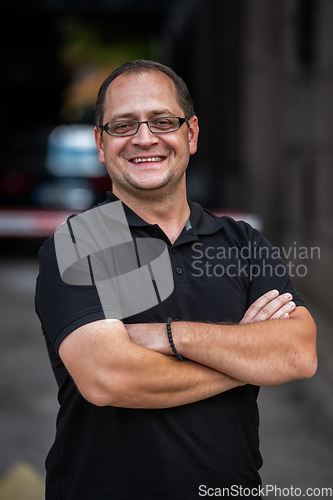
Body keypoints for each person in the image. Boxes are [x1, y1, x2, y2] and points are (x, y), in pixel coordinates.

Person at [35, 60, 317, 500]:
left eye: (163, 121)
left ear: (191, 134)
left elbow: (297, 353)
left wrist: (169, 336)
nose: (144, 138)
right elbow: (110, 378)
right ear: (100, 142)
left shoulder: (242, 242)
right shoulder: (81, 241)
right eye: (123, 125)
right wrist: (243, 360)